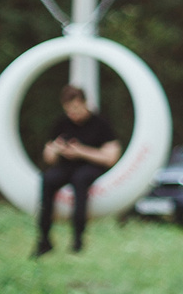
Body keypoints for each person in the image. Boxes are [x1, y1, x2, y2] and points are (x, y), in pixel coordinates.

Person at [34, 85, 121, 256]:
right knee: (47, 179)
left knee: (80, 180)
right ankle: (44, 239)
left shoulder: (100, 124)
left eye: (75, 108)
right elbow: (48, 157)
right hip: (66, 166)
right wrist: (56, 149)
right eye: (68, 110)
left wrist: (81, 151)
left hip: (91, 167)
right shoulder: (61, 123)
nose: (72, 113)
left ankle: (77, 240)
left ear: (84, 103)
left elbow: (111, 157)